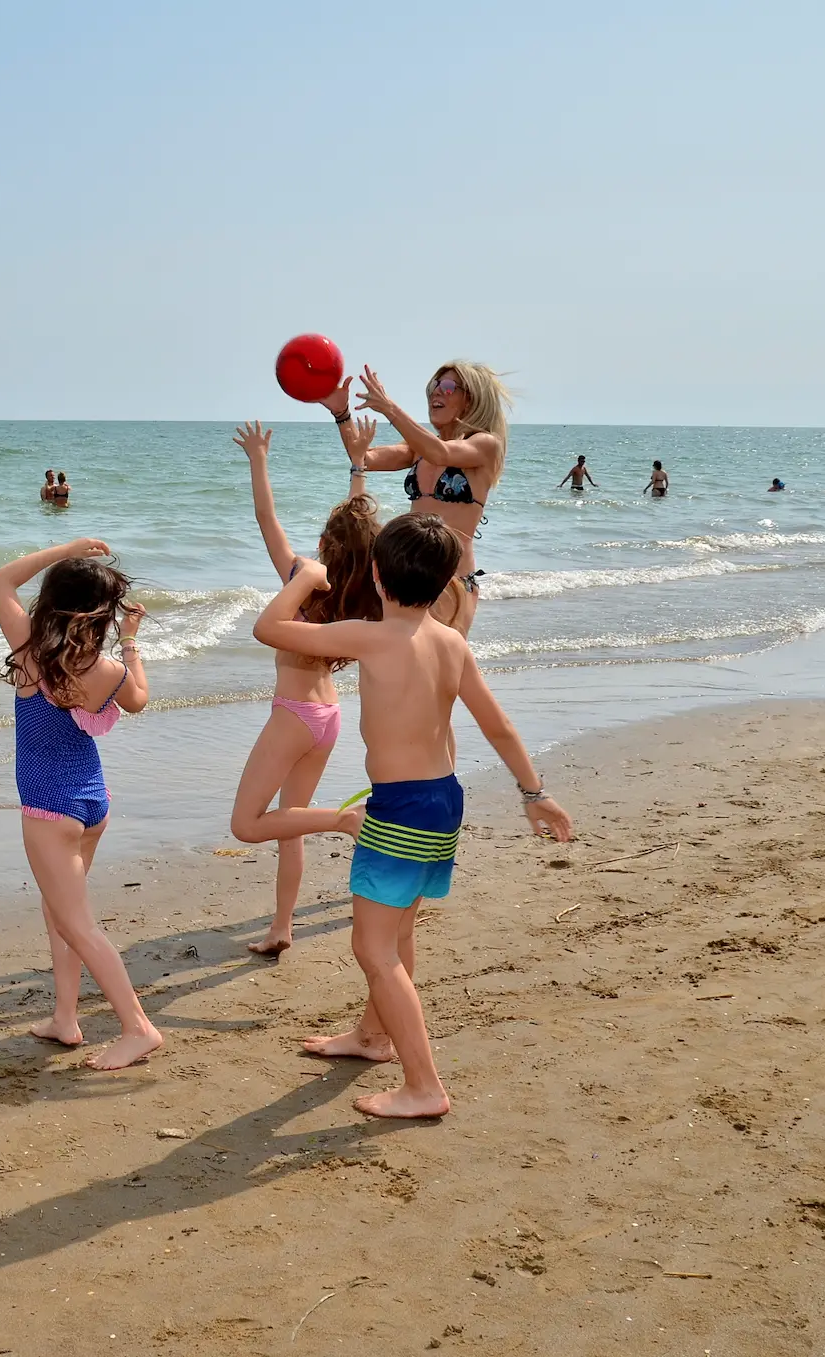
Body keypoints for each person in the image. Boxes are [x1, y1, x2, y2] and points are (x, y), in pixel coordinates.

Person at [253, 515, 572, 1118]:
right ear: (445, 581)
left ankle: (424, 1086)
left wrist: (305, 578)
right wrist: (534, 794)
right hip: (443, 798)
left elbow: (270, 628)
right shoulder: (451, 642)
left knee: (373, 950)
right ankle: (373, 1039)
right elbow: (497, 725)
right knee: (397, 934)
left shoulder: (371, 636)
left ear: (375, 575)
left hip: (400, 810)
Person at [0, 538, 161, 1070]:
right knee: (60, 910)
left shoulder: (31, 654)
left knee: (77, 923)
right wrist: (130, 642)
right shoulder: (104, 667)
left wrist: (65, 550)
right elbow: (139, 701)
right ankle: (66, 1018)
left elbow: (0, 580)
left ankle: (137, 1027)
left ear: (51, 601)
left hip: (48, 808)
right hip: (91, 800)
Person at [228, 419, 383, 956]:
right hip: (328, 717)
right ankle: (281, 928)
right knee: (287, 824)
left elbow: (265, 518)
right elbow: (359, 528)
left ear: (323, 545)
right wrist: (357, 466)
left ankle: (347, 821)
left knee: (247, 823)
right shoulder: (361, 591)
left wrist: (258, 460)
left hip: (293, 716)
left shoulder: (305, 577)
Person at [325, 362, 511, 637]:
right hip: (405, 573)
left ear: (471, 398)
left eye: (448, 387)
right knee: (400, 660)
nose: (437, 393)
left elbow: (441, 454)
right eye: (434, 386)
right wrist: (341, 413)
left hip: (452, 580)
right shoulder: (419, 449)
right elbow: (363, 457)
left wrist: (389, 407)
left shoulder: (485, 444)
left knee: (440, 667)